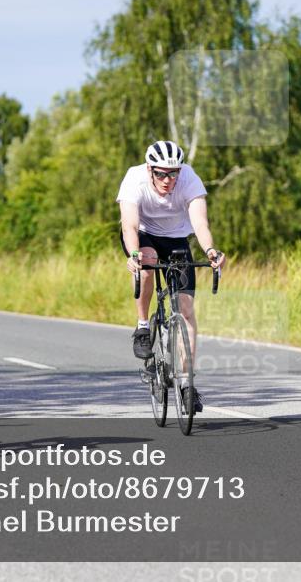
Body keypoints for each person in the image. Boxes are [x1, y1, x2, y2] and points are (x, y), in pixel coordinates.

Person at [117, 140, 226, 413]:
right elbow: (129, 225)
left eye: (173, 173)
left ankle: (187, 383)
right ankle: (143, 326)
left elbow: (200, 222)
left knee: (186, 310)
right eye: (161, 174)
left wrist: (211, 251)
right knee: (148, 261)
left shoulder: (189, 179)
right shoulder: (134, 179)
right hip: (143, 235)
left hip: (177, 238)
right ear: (150, 169)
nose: (168, 180)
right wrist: (134, 255)